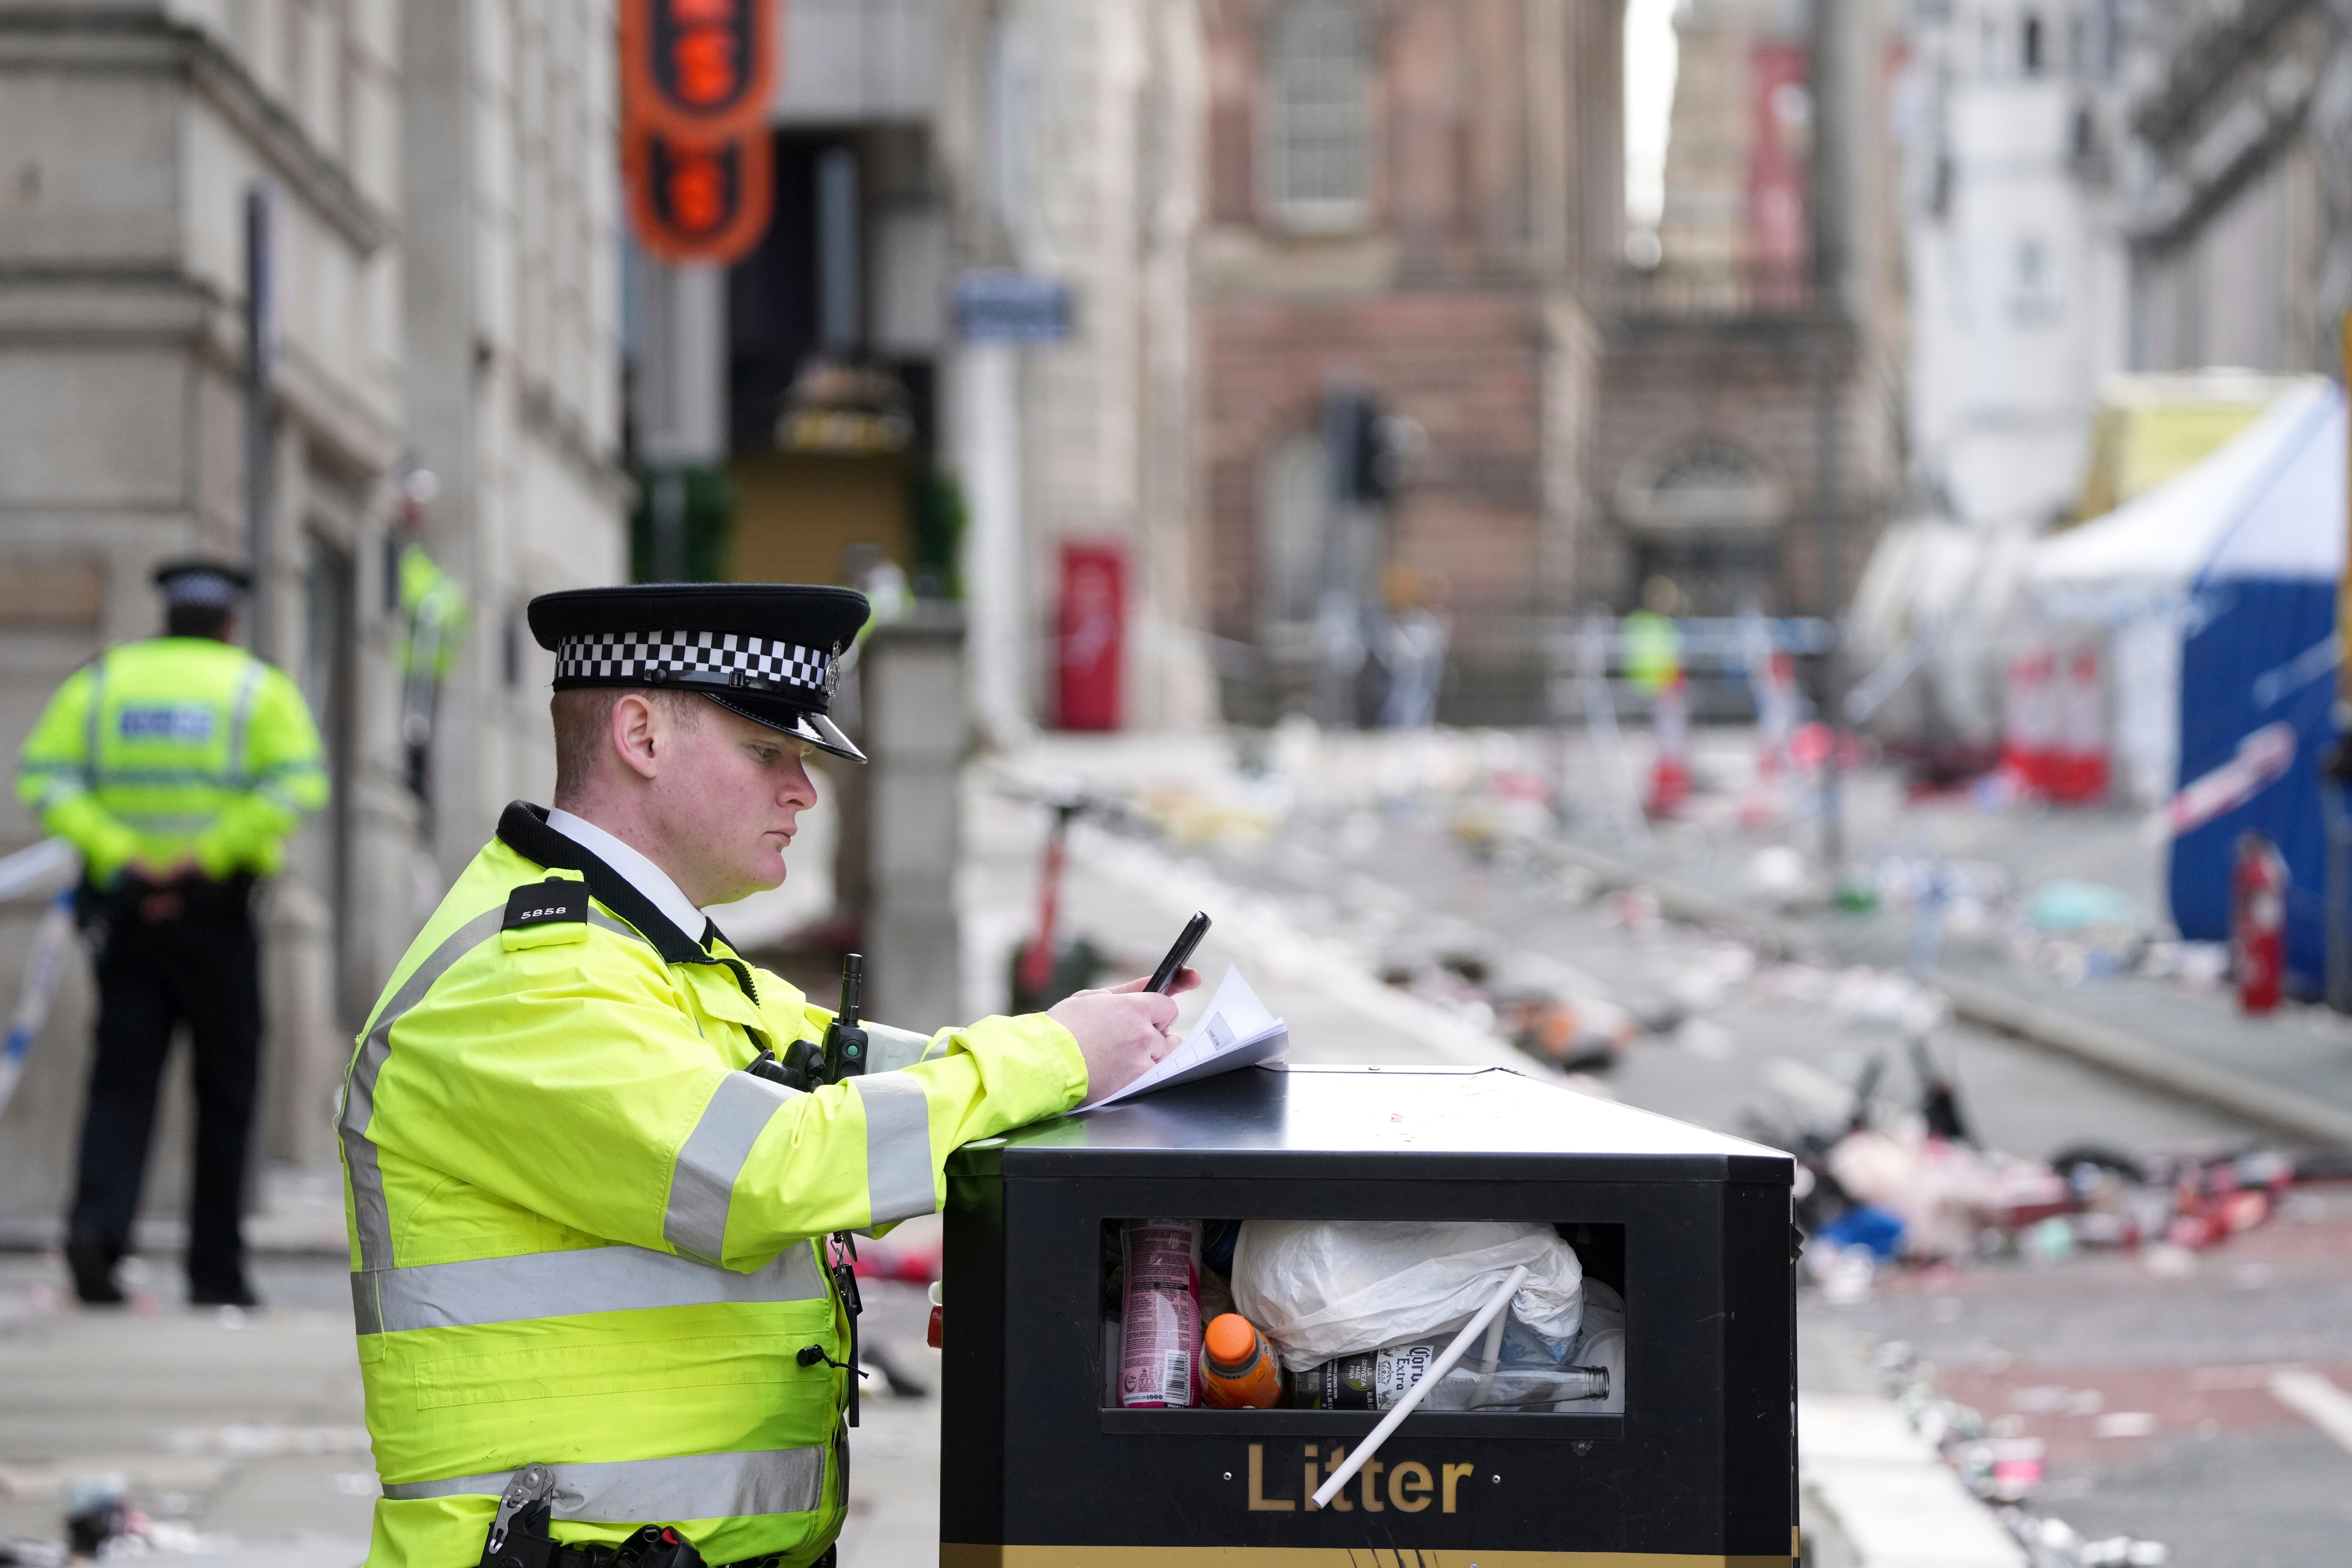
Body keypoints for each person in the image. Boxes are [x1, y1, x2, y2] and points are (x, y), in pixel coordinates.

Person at [339, 583, 1193, 1568]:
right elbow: (763, 1169)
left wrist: (1086, 1054)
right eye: (767, 751)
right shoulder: (526, 978)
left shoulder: (665, 958)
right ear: (639, 734)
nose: (803, 788)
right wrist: (1054, 1056)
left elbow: (856, 1080)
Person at [15, 560, 329, 1307]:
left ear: (166, 617)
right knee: (226, 1093)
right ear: (230, 622)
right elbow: (297, 786)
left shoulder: (105, 683)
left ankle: (98, 1235)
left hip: (126, 915)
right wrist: (202, 858)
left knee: (121, 1084)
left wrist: (125, 858)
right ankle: (215, 1270)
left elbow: (46, 780)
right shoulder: (258, 689)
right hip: (219, 916)